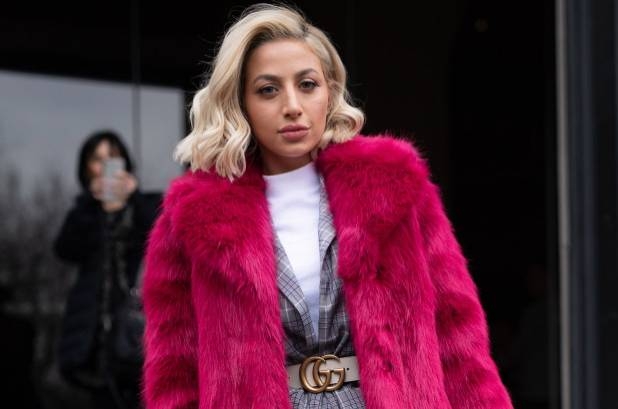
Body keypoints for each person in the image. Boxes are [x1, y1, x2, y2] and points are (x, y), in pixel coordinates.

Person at [142, 4, 513, 409]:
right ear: (240, 103)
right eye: (268, 89)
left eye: (307, 84)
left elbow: (458, 337)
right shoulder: (192, 219)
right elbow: (174, 373)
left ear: (330, 91)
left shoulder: (395, 188)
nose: (292, 106)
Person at [54, 130, 161, 409]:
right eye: (97, 159)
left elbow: (165, 233)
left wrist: (133, 198)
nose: (105, 165)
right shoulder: (84, 214)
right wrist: (93, 207)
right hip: (95, 343)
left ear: (125, 163)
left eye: (112, 157)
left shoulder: (145, 205)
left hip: (138, 336)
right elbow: (64, 249)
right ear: (86, 169)